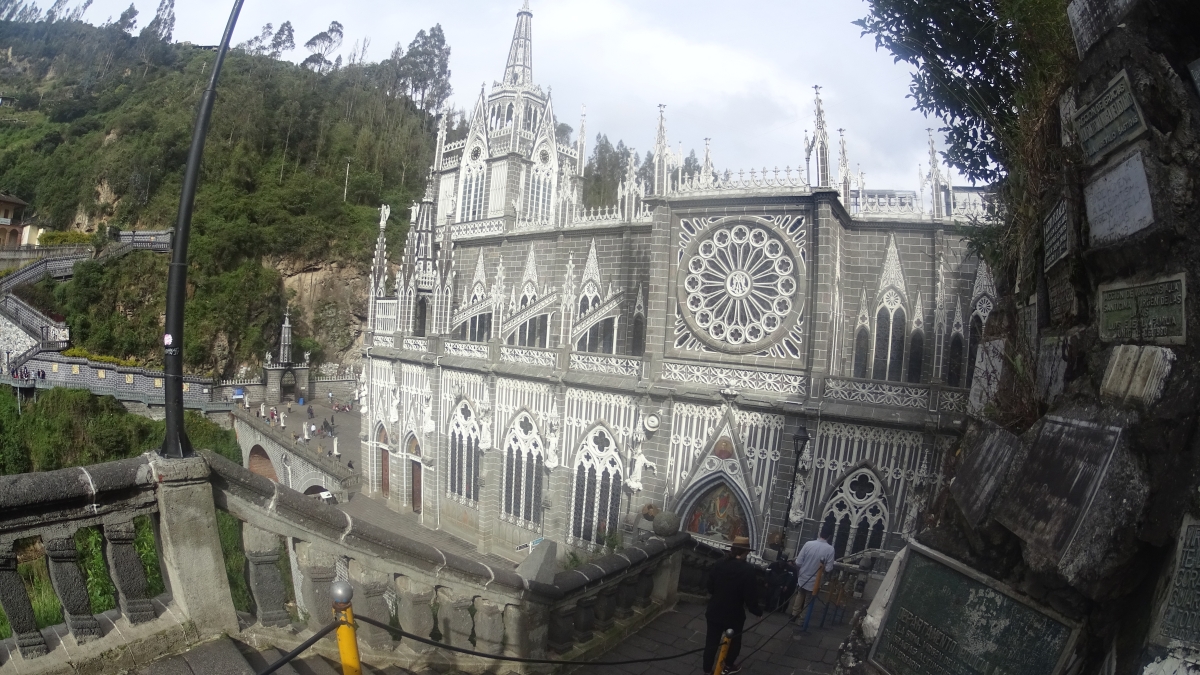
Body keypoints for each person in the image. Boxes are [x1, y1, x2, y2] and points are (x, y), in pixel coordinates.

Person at [703, 536, 762, 675]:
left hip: (714, 610)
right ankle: (728, 666)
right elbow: (750, 596)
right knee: (734, 642)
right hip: (734, 614)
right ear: (745, 552)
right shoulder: (748, 570)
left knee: (711, 643)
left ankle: (706, 670)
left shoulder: (719, 563)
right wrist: (757, 611)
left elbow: (709, 586)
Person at [789, 523, 836, 619]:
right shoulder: (830, 549)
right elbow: (828, 568)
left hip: (803, 576)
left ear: (819, 533)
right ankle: (802, 620)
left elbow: (798, 562)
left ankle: (794, 614)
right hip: (815, 580)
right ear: (830, 536)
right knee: (808, 600)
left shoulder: (808, 544)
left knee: (800, 594)